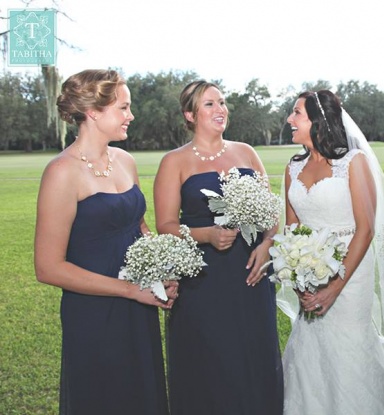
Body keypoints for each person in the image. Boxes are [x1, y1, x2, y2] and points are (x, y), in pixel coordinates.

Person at [34, 69, 174, 415]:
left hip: (139, 306)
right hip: (95, 312)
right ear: (94, 112)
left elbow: (138, 227)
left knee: (142, 395)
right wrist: (129, 289)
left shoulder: (125, 161)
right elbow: (48, 267)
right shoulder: (61, 172)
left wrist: (160, 271)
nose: (131, 115)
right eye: (123, 108)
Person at [153, 80, 283, 415]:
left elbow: (272, 212)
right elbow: (165, 225)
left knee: (253, 356)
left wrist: (268, 243)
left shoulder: (247, 153)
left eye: (222, 102)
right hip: (203, 278)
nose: (220, 109)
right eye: (209, 104)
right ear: (190, 114)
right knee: (210, 360)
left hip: (250, 273)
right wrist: (206, 235)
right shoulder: (174, 161)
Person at [278, 90, 384, 414]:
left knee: (349, 349)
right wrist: (299, 278)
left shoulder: (353, 163)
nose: (290, 119)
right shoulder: (292, 167)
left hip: (351, 271)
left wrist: (333, 286)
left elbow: (366, 228)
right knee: (312, 347)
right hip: (308, 272)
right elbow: (292, 230)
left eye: (297, 113)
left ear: (318, 119)